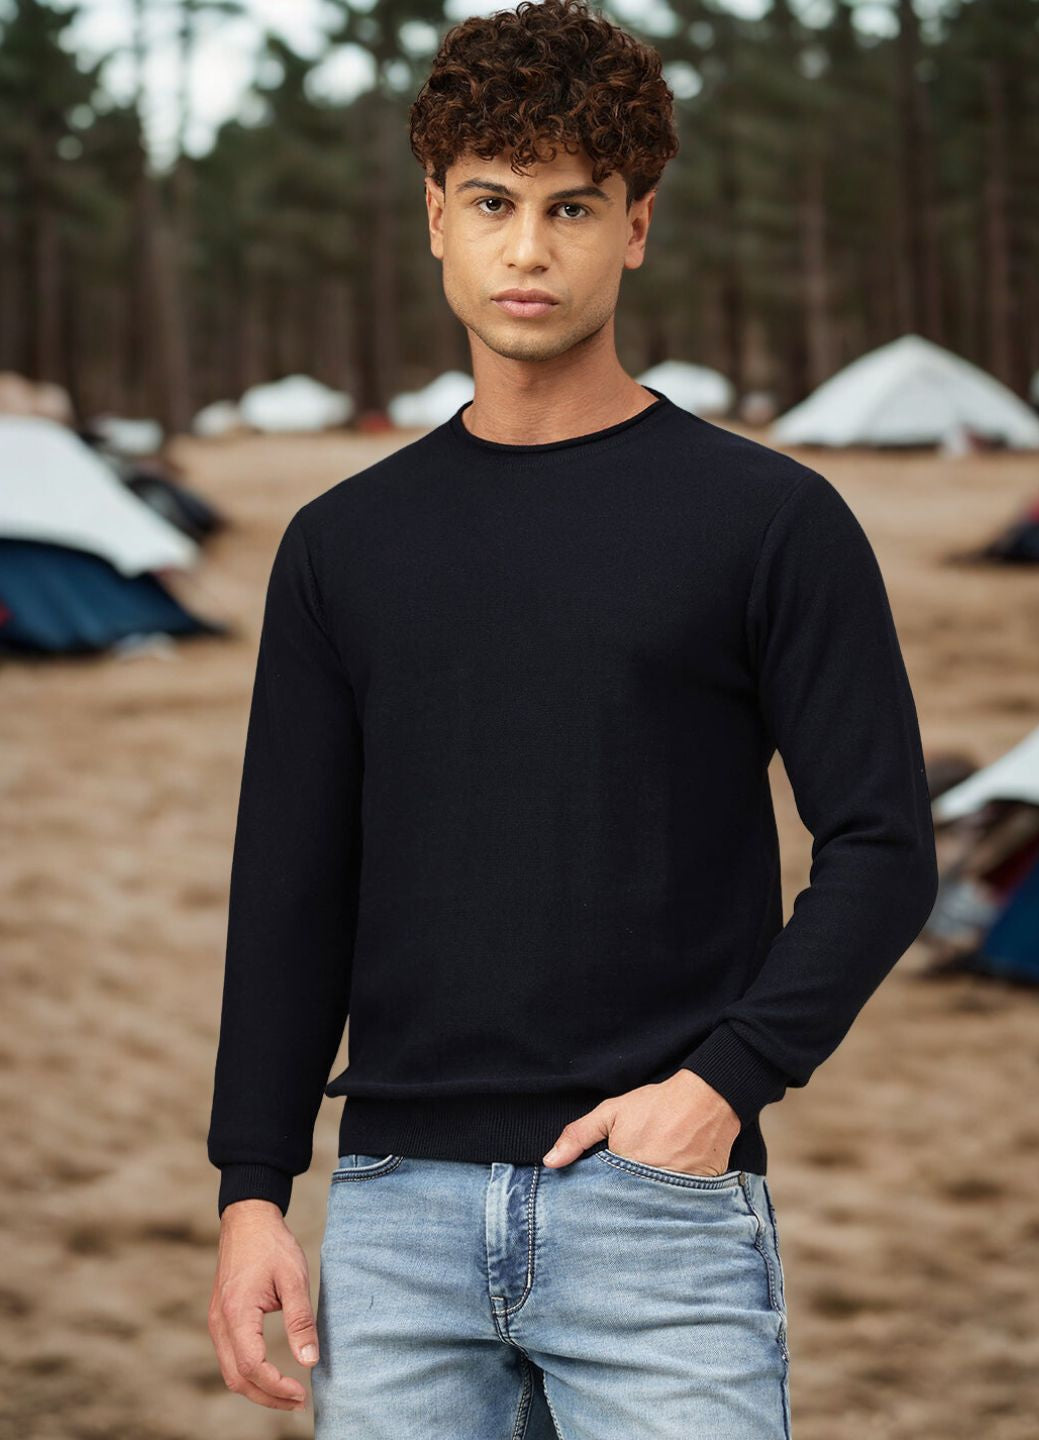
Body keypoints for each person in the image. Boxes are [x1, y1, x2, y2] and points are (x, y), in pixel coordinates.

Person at [206, 1, 939, 1434]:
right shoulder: (341, 545)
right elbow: (290, 889)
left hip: (656, 1214)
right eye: (491, 203)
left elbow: (883, 843)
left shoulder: (769, 521)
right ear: (436, 218)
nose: (528, 249)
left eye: (571, 207)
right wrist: (250, 1191)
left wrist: (723, 1087)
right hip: (394, 1220)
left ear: (637, 226)